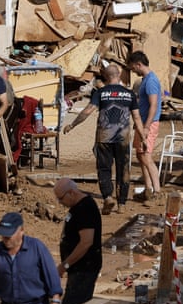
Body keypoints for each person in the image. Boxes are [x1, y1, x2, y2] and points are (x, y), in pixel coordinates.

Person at [62, 63, 139, 214]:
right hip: (123, 137)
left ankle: (108, 197)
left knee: (104, 168)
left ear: (105, 77)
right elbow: (137, 117)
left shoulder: (100, 92)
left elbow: (87, 111)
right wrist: (142, 135)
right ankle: (122, 204)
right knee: (123, 169)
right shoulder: (129, 94)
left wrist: (72, 125)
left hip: (104, 136)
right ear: (119, 75)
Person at [53, 179, 102, 304]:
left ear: (71, 193)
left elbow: (86, 242)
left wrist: (65, 264)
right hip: (77, 268)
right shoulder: (76, 207)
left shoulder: (85, 208)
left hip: (85, 267)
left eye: (61, 199)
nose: (60, 203)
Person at [127, 51, 162, 201]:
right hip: (142, 123)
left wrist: (146, 127)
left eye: (133, 67)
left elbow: (153, 105)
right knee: (140, 155)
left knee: (146, 156)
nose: (133, 71)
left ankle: (157, 191)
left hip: (148, 124)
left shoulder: (151, 81)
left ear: (138, 64)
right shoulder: (146, 80)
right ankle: (148, 189)